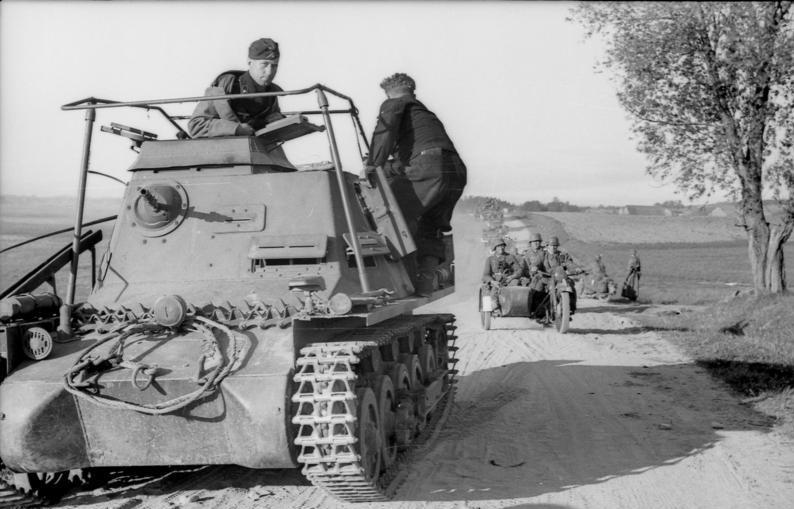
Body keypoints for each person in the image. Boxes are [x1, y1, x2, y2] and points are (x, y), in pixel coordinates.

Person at [366, 73, 467, 295]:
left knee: (385, 214)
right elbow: (417, 159)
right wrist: (388, 167)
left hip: (430, 166)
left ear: (389, 93)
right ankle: (425, 282)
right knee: (431, 223)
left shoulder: (394, 103)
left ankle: (389, 281)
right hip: (455, 171)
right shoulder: (423, 115)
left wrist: (371, 166)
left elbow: (384, 133)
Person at [188, 38, 284, 138]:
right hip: (224, 150)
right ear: (250, 62)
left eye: (274, 66)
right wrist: (236, 129)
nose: (269, 72)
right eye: (264, 64)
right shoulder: (225, 87)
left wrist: (279, 122)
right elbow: (196, 125)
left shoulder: (270, 94)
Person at [542, 236, 579, 315]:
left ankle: (571, 307)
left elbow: (569, 263)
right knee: (539, 289)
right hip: (547, 277)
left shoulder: (562, 255)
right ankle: (541, 310)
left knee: (571, 285)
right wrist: (534, 267)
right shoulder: (543, 255)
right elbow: (536, 263)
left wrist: (576, 268)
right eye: (551, 245)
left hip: (561, 277)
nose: (553, 247)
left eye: (555, 245)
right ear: (547, 245)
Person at [520, 232, 546, 317]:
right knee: (534, 290)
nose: (536, 243)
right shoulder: (526, 254)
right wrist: (530, 272)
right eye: (534, 241)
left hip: (544, 275)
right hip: (531, 277)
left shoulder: (544, 252)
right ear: (530, 243)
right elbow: (524, 269)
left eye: (538, 241)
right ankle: (535, 309)